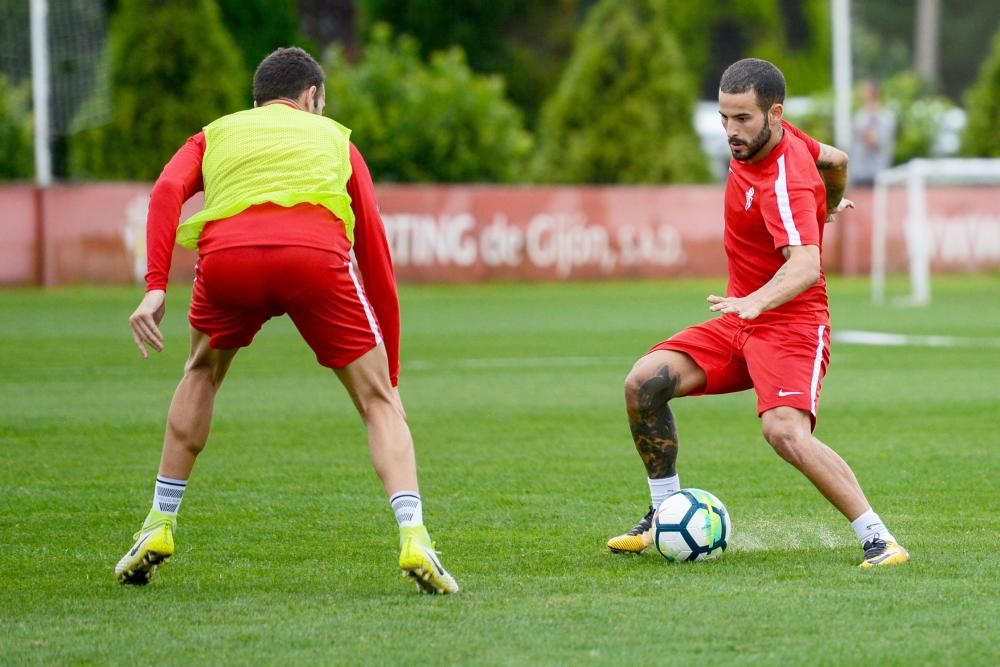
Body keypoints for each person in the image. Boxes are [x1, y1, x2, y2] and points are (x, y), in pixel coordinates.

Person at [117, 47, 459, 594]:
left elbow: (164, 191)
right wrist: (388, 375)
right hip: (314, 259)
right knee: (377, 403)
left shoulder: (217, 134)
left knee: (200, 373)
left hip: (228, 260)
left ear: (256, 102)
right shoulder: (336, 139)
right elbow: (375, 255)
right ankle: (414, 536)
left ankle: (159, 523)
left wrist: (156, 286)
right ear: (312, 97)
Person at [606, 58, 908, 568]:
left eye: (742, 119)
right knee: (644, 384)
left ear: (774, 113)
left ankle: (880, 539)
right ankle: (661, 514)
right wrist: (831, 201)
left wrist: (757, 299)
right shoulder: (775, 137)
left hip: (791, 323)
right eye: (725, 118)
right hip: (740, 320)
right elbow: (834, 157)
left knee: (784, 432)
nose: (731, 131)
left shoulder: (786, 179)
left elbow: (807, 267)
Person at [851, 79, 896, 186]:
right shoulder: (859, 116)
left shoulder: (885, 117)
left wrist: (866, 130)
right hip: (859, 174)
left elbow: (874, 143)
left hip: (877, 174)